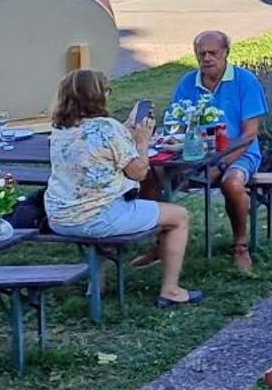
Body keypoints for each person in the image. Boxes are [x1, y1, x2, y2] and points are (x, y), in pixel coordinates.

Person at [46, 68, 199, 307]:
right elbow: (138, 172)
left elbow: (97, 146)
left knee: (110, 221)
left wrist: (126, 130)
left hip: (60, 217)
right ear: (97, 96)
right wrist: (142, 141)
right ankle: (171, 290)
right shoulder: (107, 128)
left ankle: (96, 285)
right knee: (179, 216)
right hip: (97, 217)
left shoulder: (59, 129)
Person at [169, 30, 268, 274]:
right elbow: (175, 126)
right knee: (152, 174)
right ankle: (160, 244)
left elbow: (250, 135)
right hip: (197, 154)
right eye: (201, 53)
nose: (207, 58)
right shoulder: (188, 83)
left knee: (232, 183)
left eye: (213, 52)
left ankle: (240, 245)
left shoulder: (245, 81)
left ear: (226, 53)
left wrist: (221, 164)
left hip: (240, 154)